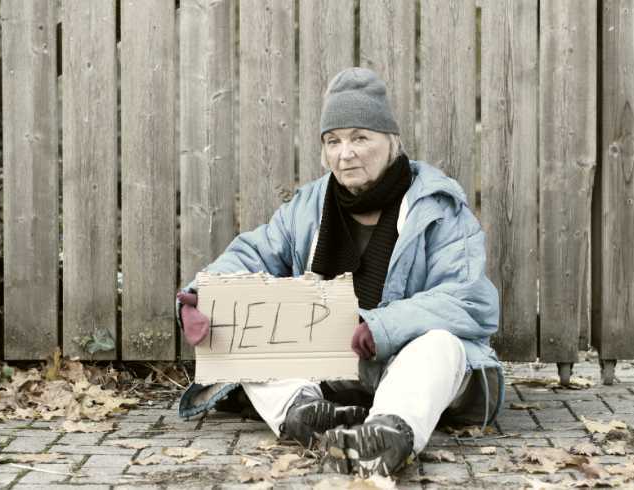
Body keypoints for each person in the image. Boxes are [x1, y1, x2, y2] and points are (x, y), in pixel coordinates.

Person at [176, 67, 502, 478]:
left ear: (391, 142)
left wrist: (379, 325)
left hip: (406, 365)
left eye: (360, 138)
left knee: (440, 344)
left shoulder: (437, 207)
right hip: (330, 365)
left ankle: (389, 433)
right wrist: (202, 295)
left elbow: (468, 298)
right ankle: (307, 414)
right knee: (237, 323)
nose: (345, 154)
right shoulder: (309, 205)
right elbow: (253, 253)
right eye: (333, 141)